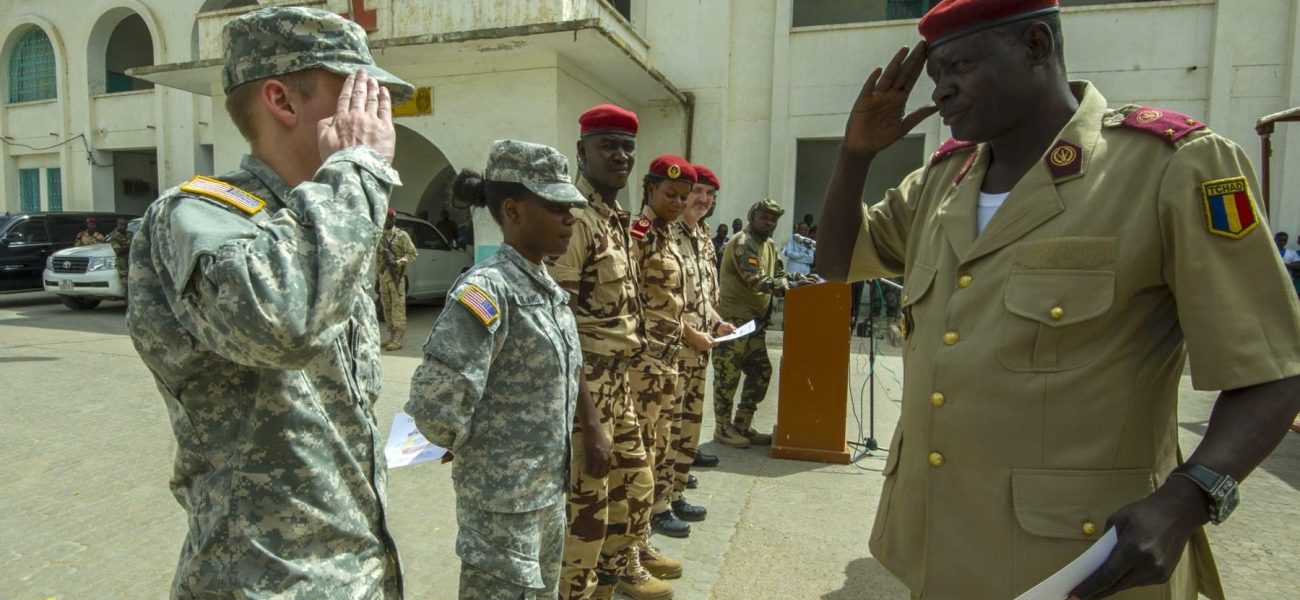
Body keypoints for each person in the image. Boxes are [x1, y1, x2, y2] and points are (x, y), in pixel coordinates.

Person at [814, 1, 1300, 599]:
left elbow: (1274, 371)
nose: (942, 91)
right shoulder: (942, 182)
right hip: (940, 548)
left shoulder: (1169, 167)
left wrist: (1188, 499)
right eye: (935, 76)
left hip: (1084, 559)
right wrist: (855, 154)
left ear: (1037, 44)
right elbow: (834, 266)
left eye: (959, 66)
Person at [125, 7, 414, 597]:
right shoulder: (197, 215)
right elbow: (282, 325)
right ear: (282, 101)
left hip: (355, 565)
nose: (379, 117)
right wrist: (357, 169)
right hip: (262, 579)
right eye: (359, 94)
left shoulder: (323, 217)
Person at [406, 140, 587, 600]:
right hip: (502, 505)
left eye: (572, 207)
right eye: (555, 205)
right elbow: (435, 408)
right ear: (513, 210)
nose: (570, 218)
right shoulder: (488, 290)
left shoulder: (544, 286)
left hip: (544, 494)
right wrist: (463, 438)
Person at [547, 104, 673, 600]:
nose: (620, 155)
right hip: (588, 387)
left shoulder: (614, 219)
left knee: (635, 490)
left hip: (620, 382)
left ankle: (613, 580)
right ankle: (575, 592)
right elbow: (563, 328)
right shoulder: (575, 219)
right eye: (608, 145)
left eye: (627, 147)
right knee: (588, 508)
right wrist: (589, 420)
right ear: (582, 151)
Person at [625, 155, 695, 541]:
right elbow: (627, 296)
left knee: (662, 443)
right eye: (671, 194)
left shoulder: (670, 236)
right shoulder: (639, 234)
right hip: (643, 363)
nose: (679, 202)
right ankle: (636, 536)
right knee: (643, 450)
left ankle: (652, 518)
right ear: (650, 188)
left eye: (683, 196)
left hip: (670, 360)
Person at [713, 199, 813, 448]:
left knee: (760, 372)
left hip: (754, 323)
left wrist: (801, 278)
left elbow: (778, 276)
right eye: (764, 217)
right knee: (728, 376)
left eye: (774, 219)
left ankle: (742, 424)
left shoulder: (768, 245)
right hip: (733, 322)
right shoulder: (742, 242)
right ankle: (722, 428)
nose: (769, 222)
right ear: (752, 217)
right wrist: (790, 286)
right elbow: (755, 280)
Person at [671, 164, 733, 505]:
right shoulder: (665, 232)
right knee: (669, 427)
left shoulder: (702, 235)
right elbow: (657, 300)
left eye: (710, 195)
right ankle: (662, 498)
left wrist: (716, 321)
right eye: (698, 192)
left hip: (699, 346)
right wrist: (691, 332)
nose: (704, 200)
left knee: (690, 421)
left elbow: (703, 294)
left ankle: (677, 482)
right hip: (671, 348)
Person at [377, 207, 417, 350]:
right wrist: (378, 276)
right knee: (386, 307)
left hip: (397, 278)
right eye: (385, 219)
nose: (387, 221)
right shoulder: (380, 236)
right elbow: (377, 258)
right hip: (383, 278)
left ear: (393, 220)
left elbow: (413, 254)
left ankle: (398, 339)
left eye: (389, 219)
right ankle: (392, 336)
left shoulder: (402, 236)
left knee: (397, 308)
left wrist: (398, 262)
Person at [106, 218, 131, 291]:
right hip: (123, 265)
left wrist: (125, 246)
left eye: (125, 225)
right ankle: (127, 301)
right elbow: (118, 251)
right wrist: (129, 245)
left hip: (132, 263)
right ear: (117, 225)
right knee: (126, 285)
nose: (124, 227)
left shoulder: (130, 233)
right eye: (122, 225)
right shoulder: (114, 236)